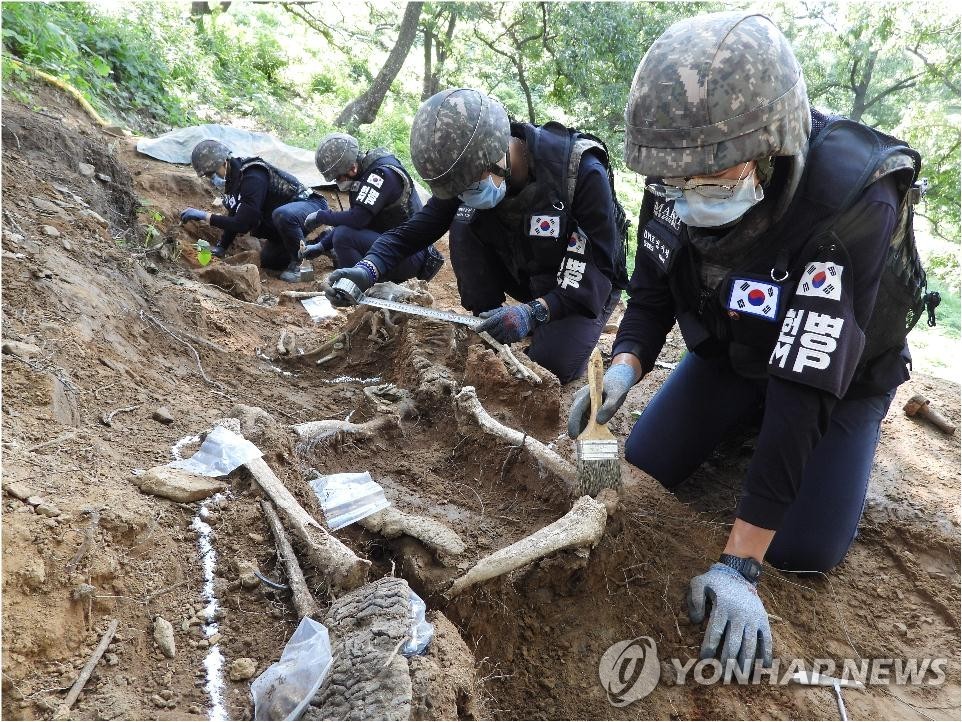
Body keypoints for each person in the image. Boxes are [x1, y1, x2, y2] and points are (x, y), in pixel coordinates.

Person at [568, 11, 920, 669]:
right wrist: (623, 365)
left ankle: (782, 458)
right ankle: (736, 420)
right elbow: (650, 289)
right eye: (673, 181)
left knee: (801, 549)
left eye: (708, 178)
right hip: (737, 350)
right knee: (644, 461)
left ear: (771, 150)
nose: (682, 194)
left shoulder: (851, 203)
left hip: (840, 380)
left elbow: (806, 385)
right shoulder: (674, 174)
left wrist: (739, 565)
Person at [325, 88, 629, 384]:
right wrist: (366, 269)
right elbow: (412, 233)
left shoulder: (580, 172)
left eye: (469, 185)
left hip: (581, 283)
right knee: (463, 218)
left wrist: (534, 312)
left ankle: (545, 327)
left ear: (496, 154)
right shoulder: (466, 171)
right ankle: (487, 317)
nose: (464, 193)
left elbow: (597, 268)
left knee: (550, 366)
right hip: (525, 267)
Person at [301, 133, 445, 283]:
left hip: (407, 252)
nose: (338, 183)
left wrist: (321, 216)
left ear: (352, 168)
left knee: (343, 236)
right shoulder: (366, 172)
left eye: (338, 177)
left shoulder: (381, 176)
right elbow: (354, 219)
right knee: (344, 232)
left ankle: (357, 287)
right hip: (395, 247)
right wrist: (322, 245)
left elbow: (357, 219)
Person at [180, 139, 329, 282]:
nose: (211, 178)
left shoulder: (252, 175)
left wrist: (204, 216)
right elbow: (236, 212)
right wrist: (221, 246)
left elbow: (243, 223)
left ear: (224, 163)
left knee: (283, 215)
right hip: (284, 221)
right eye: (207, 175)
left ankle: (302, 268)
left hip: (310, 206)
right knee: (269, 260)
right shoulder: (233, 180)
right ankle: (325, 242)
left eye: (211, 173)